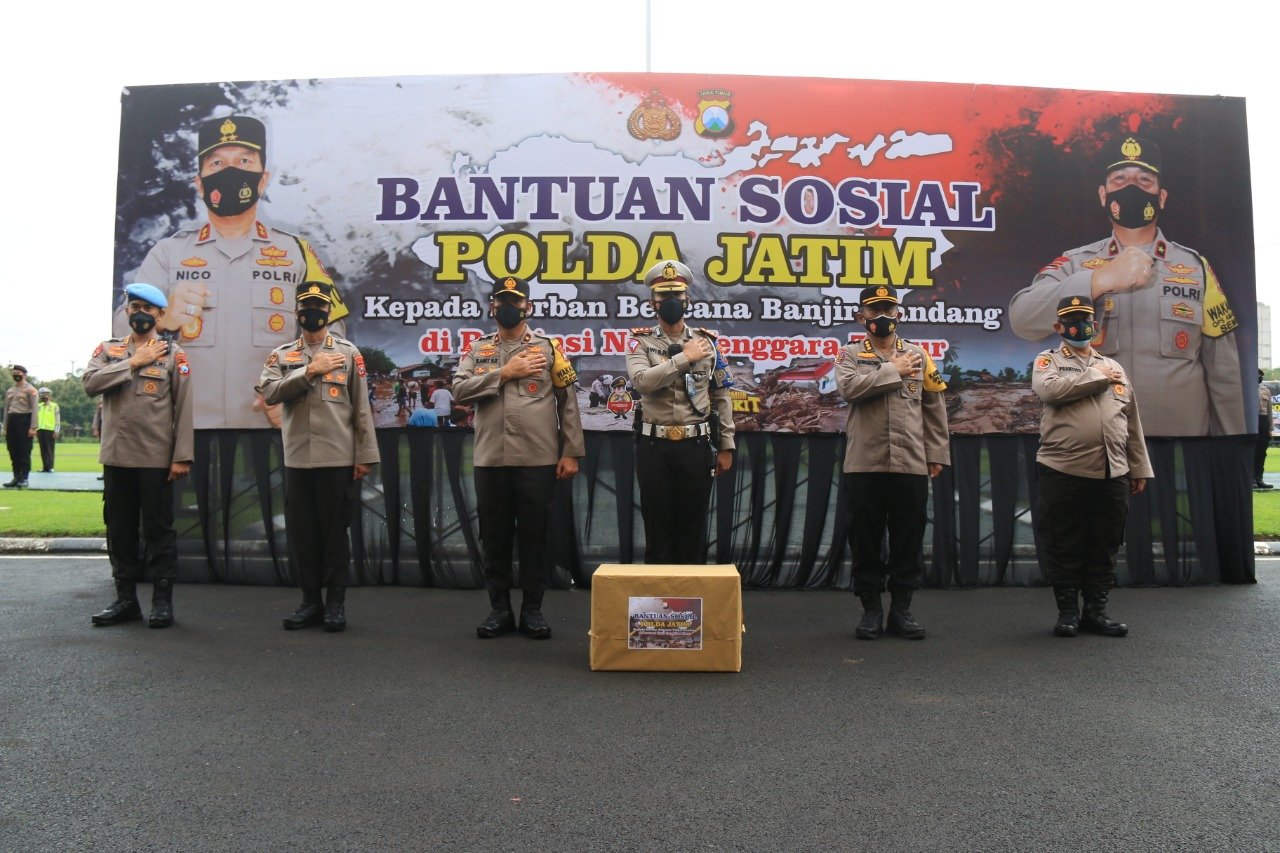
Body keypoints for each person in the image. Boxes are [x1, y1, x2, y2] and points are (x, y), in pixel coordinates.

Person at [1009, 134, 1245, 438]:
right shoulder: (1076, 262)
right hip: (1095, 445)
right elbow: (1021, 318)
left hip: (1178, 446)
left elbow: (1224, 371)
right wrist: (1099, 279)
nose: (1132, 187)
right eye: (1120, 179)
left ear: (1161, 197)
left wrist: (1233, 445)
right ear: (1103, 194)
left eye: (1144, 180)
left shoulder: (1196, 267)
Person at [126, 114, 349, 429]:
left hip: (275, 426)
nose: (230, 172)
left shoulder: (296, 252)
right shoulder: (167, 253)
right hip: (184, 426)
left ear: (263, 178)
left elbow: (334, 337)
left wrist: (298, 386)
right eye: (217, 163)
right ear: (199, 183)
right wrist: (160, 318)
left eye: (244, 161)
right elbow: (120, 331)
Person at [451, 276, 585, 639]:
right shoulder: (478, 349)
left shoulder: (549, 348)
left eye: (516, 301)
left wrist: (571, 452)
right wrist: (504, 373)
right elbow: (459, 391)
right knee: (493, 537)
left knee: (534, 537)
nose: (508, 307)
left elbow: (568, 403)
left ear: (528, 307)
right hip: (491, 459)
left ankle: (532, 611)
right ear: (492, 307)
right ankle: (499, 610)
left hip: (537, 458)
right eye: (502, 301)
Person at [259, 282, 379, 633]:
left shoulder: (348, 353)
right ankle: (310, 601)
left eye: (320, 307)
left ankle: (336, 604)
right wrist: (309, 371)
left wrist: (364, 455)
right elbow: (269, 393)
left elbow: (361, 408)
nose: (313, 313)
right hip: (298, 459)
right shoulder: (282, 355)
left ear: (329, 312)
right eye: (307, 307)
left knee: (334, 535)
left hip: (337, 459)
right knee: (303, 535)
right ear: (296, 312)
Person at [1031, 296, 1153, 637]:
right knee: (1064, 543)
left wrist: (1139, 467)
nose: (1079, 327)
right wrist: (1096, 376)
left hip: (1112, 471)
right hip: (1063, 469)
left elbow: (1131, 420)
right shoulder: (1048, 360)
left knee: (1105, 544)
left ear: (1095, 325)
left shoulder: (1114, 366)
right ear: (1058, 327)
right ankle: (1068, 613)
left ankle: (1096, 612)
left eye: (1085, 320)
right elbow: (1050, 391)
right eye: (1071, 322)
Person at [834, 285, 950, 640]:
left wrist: (936, 454)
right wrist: (892, 369)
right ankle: (871, 610)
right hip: (864, 463)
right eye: (874, 310)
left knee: (908, 539)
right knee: (865, 539)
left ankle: (902, 610)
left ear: (899, 313)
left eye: (889, 309)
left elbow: (934, 409)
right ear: (861, 316)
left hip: (909, 463)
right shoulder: (849, 354)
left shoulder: (919, 355)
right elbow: (849, 389)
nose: (882, 317)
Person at [82, 283, 194, 629]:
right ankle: (126, 600)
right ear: (127, 312)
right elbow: (90, 384)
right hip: (117, 458)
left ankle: (162, 601)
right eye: (135, 307)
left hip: (155, 459)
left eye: (148, 308)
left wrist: (182, 457)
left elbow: (184, 408)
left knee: (159, 532)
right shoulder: (108, 350)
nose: (140, 313)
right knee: (120, 531)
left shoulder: (174, 355)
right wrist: (133, 362)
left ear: (160, 315)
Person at [626, 259, 736, 565]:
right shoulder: (640, 342)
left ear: (687, 299)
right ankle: (657, 594)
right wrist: (683, 358)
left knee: (693, 529)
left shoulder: (707, 343)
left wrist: (726, 446)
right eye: (664, 296)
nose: (671, 301)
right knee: (657, 528)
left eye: (677, 294)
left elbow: (722, 395)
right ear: (653, 302)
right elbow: (642, 382)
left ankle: (692, 594)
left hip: (695, 446)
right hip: (653, 446)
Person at [3, 365, 38, 488]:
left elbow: (35, 409)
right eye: (14, 373)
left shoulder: (31, 390)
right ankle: (16, 477)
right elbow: (6, 410)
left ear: (24, 374)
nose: (16, 375)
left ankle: (24, 478)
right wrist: (4, 427)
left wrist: (33, 427)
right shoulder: (10, 391)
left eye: (18, 372)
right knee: (13, 450)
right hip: (12, 421)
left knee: (24, 450)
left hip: (24, 421)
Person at [1256, 369, 1273, 491]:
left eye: (1260, 376)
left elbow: (1270, 411)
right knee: (1251, 452)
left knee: (1262, 452)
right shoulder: (1245, 390)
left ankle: (1259, 479)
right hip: (1252, 421)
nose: (1259, 378)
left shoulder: (1265, 390)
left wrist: (1270, 428)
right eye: (1258, 375)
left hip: (1263, 421)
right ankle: (1250, 479)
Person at [36, 388, 60, 473]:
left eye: (45, 395)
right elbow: (36, 418)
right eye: (42, 395)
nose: (43, 397)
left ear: (49, 395)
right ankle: (45, 467)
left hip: (50, 430)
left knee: (49, 449)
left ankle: (50, 467)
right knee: (42, 450)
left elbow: (57, 420)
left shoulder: (54, 406)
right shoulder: (39, 406)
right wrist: (35, 429)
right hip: (40, 430)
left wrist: (56, 431)